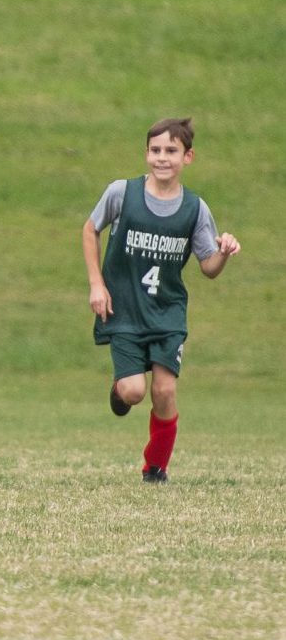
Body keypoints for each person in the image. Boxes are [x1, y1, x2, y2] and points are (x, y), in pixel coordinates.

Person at [81, 117, 239, 483]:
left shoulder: (196, 209)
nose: (162, 158)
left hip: (167, 312)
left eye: (171, 151)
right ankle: (120, 389)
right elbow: (90, 229)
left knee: (165, 389)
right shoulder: (122, 193)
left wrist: (226, 251)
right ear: (146, 153)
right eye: (155, 150)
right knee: (134, 391)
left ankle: (155, 467)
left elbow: (209, 267)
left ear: (188, 157)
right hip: (124, 310)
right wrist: (96, 283)